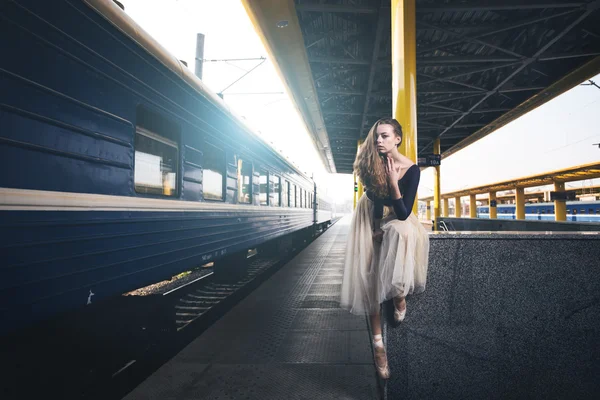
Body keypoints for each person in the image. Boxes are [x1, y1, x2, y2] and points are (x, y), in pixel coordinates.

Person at [340, 118, 430, 379]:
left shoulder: (412, 170)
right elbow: (376, 204)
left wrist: (393, 180)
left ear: (397, 139)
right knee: (370, 278)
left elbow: (403, 214)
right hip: (370, 216)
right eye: (377, 136)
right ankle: (379, 347)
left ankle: (399, 294)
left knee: (401, 231)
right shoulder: (371, 163)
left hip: (398, 216)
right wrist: (375, 228)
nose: (379, 140)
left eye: (385, 136)